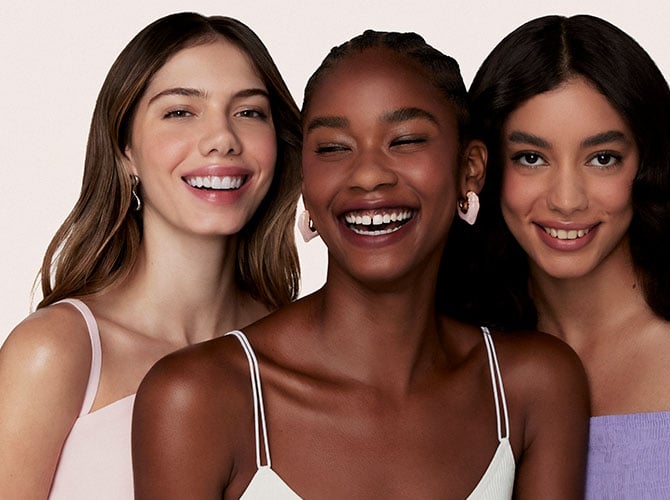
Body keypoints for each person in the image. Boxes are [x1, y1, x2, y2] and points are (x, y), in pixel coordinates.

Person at [132, 30, 589, 499]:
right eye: (333, 148)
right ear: (306, 179)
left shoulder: (534, 386)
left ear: (469, 168)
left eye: (406, 140)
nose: (369, 174)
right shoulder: (198, 397)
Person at [439, 14, 670, 498]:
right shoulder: (459, 359)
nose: (567, 199)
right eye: (531, 157)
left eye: (602, 158)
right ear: (480, 168)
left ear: (647, 163)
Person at [0, 12, 301, 498]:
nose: (222, 138)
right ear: (125, 151)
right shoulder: (56, 353)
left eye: (249, 112)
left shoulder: (293, 353)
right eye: (180, 111)